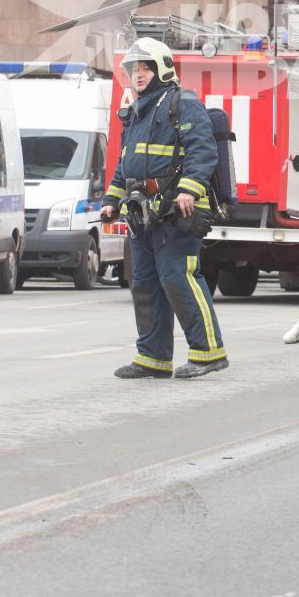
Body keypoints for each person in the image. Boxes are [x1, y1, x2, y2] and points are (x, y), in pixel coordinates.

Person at [98, 38, 228, 381]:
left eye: (144, 68)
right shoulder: (137, 109)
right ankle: (153, 358)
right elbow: (126, 163)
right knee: (144, 282)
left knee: (178, 278)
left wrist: (189, 189)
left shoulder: (183, 103)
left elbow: (203, 151)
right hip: (142, 212)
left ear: (161, 68)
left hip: (177, 211)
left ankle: (208, 352)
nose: (137, 75)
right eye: (132, 69)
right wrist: (112, 200)